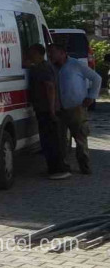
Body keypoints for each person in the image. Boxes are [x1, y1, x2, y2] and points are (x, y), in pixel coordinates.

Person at [48, 43, 100, 175]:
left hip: (76, 107)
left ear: (62, 53)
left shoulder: (76, 64)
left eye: (53, 52)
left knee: (80, 138)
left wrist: (91, 96)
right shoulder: (51, 67)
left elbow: (96, 78)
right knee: (60, 140)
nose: (50, 55)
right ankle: (63, 166)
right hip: (59, 109)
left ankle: (84, 166)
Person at [26, 44, 69, 179]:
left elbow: (50, 88)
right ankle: (56, 167)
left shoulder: (43, 68)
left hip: (46, 109)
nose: (30, 56)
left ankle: (57, 170)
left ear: (39, 54)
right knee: (49, 139)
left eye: (32, 53)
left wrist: (51, 109)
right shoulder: (41, 67)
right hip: (44, 109)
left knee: (50, 140)